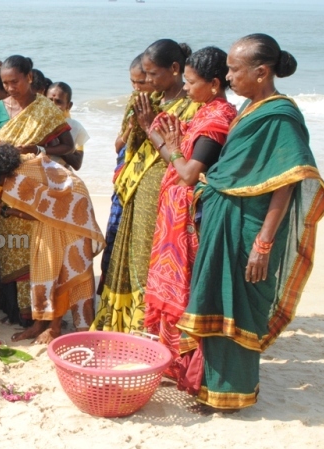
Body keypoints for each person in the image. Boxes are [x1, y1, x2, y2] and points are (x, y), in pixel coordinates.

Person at [176, 34, 324, 411]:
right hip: (223, 221)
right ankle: (212, 390)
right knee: (213, 299)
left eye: (233, 69)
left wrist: (264, 243)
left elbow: (287, 183)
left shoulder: (280, 115)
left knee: (239, 307)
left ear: (261, 72)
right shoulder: (249, 107)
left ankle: (233, 395)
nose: (226, 77)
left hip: (250, 229)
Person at [141, 47, 237, 385]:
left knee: (186, 291)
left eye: (192, 82)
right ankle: (173, 362)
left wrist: (172, 146)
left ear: (213, 84)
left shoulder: (216, 119)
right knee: (174, 289)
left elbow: (188, 173)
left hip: (190, 219)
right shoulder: (204, 111)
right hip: (175, 215)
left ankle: (191, 370)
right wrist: (160, 137)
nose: (186, 88)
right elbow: (176, 156)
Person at [93, 39, 201, 333]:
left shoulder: (192, 104)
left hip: (167, 189)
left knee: (153, 257)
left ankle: (151, 325)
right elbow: (124, 144)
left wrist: (150, 125)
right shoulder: (146, 99)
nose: (148, 81)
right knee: (129, 252)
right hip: (134, 187)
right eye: (144, 76)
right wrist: (138, 125)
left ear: (176, 69)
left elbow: (187, 154)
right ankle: (126, 322)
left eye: (153, 75)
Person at [0, 144, 104, 343]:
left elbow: (37, 214)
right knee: (43, 264)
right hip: (51, 208)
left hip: (70, 204)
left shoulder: (16, 182)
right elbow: (37, 210)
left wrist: (4, 210)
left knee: (60, 266)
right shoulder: (1, 171)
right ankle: (40, 324)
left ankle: (54, 328)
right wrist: (2, 210)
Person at [0, 55, 76, 328]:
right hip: (4, 185)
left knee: (37, 249)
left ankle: (40, 314)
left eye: (15, 82)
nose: (10, 88)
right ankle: (15, 309)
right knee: (10, 247)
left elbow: (67, 146)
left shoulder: (45, 108)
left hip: (35, 188)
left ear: (29, 77)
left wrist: (37, 150)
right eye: (6, 83)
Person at [98, 53, 155, 295]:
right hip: (125, 177)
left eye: (141, 82)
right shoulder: (135, 102)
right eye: (132, 82)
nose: (136, 88)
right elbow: (118, 145)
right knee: (115, 230)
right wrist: (132, 127)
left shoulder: (162, 105)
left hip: (146, 182)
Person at [47, 82, 89, 170]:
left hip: (62, 175)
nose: (52, 105)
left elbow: (77, 163)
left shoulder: (76, 127)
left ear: (68, 106)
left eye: (58, 102)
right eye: (49, 100)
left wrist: (58, 145)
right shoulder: (35, 123)